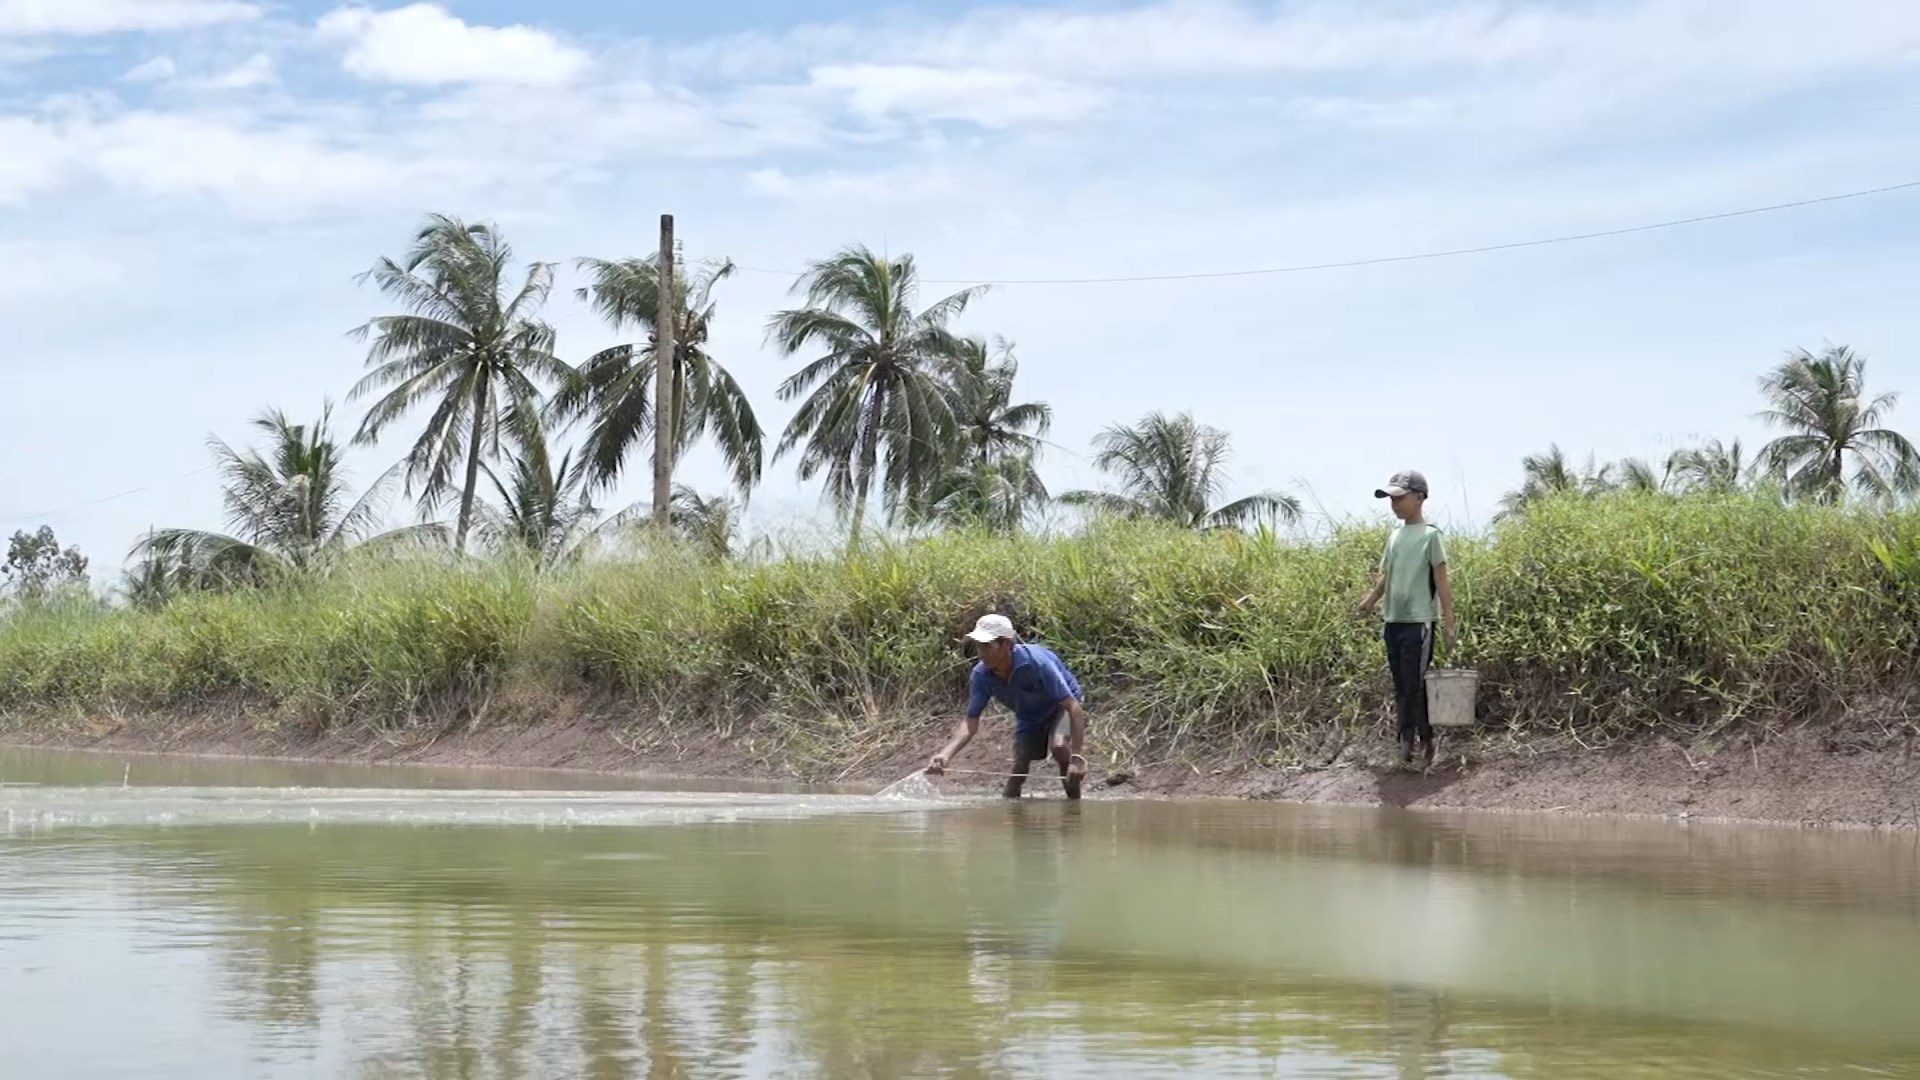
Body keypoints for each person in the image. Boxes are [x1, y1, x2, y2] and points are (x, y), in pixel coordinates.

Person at [1355, 469, 1458, 767]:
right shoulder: (1395, 537)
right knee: (1400, 684)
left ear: (1419, 497)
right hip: (1393, 621)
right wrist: (1370, 601)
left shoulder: (1431, 537)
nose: (1394, 504)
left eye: (1399, 498)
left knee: (1415, 683)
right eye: (1391, 498)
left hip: (1420, 621)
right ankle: (1405, 745)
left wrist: (1449, 621)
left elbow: (1441, 581)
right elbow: (1386, 576)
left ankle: (1425, 743)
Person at [926, 613, 1090, 799]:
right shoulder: (981, 676)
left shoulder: (1036, 663)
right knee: (1020, 764)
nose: (981, 653)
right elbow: (971, 722)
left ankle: (1074, 807)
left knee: (1060, 747)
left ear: (1007, 644)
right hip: (1029, 716)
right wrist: (945, 755)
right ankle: (1011, 815)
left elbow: (1073, 707)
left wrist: (1077, 757)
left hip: (1062, 707)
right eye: (979, 646)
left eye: (987, 646)